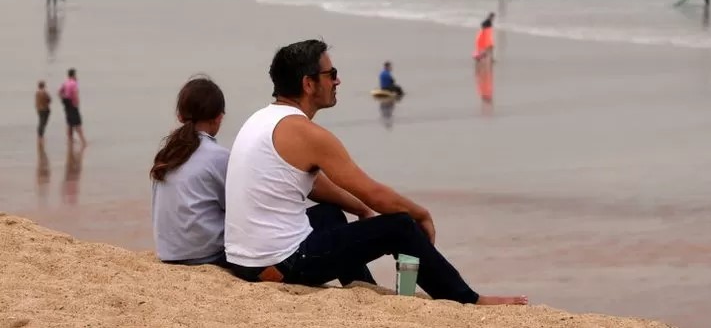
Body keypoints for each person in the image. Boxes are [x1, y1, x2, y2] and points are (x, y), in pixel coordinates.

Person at [224, 40, 526, 305]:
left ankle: (363, 289)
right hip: (279, 266)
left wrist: (359, 209)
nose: (338, 81)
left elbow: (311, 183)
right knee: (399, 226)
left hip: (245, 262)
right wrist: (420, 214)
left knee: (331, 215)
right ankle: (468, 299)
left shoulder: (262, 119)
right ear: (308, 84)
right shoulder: (306, 133)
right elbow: (375, 194)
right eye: (331, 74)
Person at [150, 78, 230, 265]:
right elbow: (238, 207)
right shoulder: (218, 156)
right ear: (219, 117)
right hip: (208, 255)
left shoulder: (167, 153)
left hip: (168, 254)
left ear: (179, 115)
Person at [58, 68, 87, 148]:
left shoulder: (65, 82)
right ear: (73, 75)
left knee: (69, 122)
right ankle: (83, 141)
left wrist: (63, 99)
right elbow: (75, 93)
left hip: (67, 103)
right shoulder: (74, 83)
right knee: (78, 123)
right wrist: (77, 103)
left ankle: (69, 140)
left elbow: (59, 92)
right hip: (72, 104)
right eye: (75, 74)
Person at [36, 81, 51, 147]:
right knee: (43, 123)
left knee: (41, 122)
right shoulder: (45, 93)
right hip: (45, 109)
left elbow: (37, 102)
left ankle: (40, 136)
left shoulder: (37, 93)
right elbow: (49, 100)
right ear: (43, 86)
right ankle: (41, 137)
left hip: (39, 110)